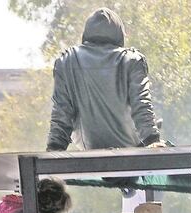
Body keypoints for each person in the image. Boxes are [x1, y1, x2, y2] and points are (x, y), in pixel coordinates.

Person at [46, 8, 163, 152]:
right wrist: (152, 139)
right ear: (119, 33)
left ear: (87, 33)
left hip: (89, 153)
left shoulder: (67, 61)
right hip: (131, 152)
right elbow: (141, 104)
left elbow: (62, 113)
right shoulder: (132, 60)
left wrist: (54, 149)